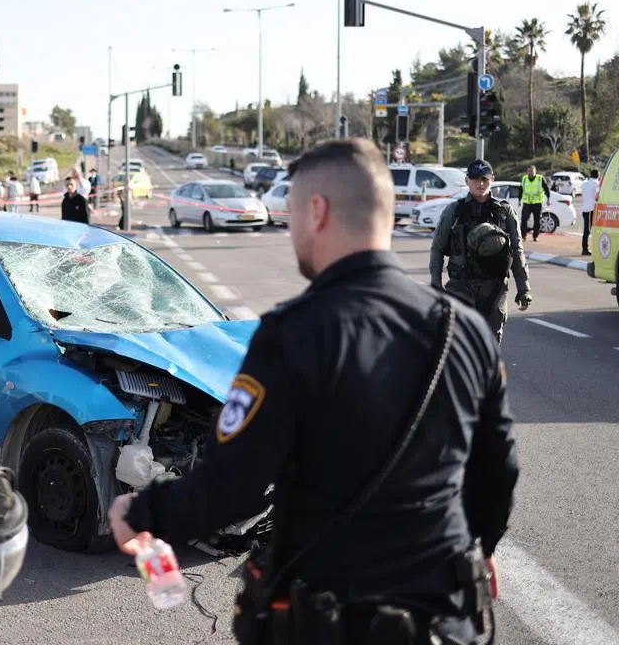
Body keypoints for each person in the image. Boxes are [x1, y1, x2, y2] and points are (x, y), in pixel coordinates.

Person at [109, 139, 518, 645]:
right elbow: (498, 468)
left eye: (295, 211)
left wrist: (140, 512)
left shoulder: (292, 335)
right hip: (449, 620)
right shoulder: (466, 329)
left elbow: (229, 489)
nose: (291, 229)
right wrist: (480, 545)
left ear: (318, 212)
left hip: (336, 621)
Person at [430, 159, 531, 344]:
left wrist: (524, 288)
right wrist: (435, 283)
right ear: (467, 180)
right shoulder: (454, 211)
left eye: (484, 179)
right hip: (461, 287)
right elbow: (437, 249)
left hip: (495, 290)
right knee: (459, 345)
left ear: (492, 179)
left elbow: (517, 250)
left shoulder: (504, 212)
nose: (480, 183)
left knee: (490, 347)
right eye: (475, 179)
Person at [518, 165, 551, 242]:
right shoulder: (524, 179)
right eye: (529, 171)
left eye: (532, 171)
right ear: (527, 171)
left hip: (537, 203)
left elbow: (546, 189)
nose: (531, 172)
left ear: (535, 171)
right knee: (524, 219)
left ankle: (535, 236)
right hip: (527, 203)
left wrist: (548, 199)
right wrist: (519, 200)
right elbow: (521, 190)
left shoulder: (540, 179)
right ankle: (523, 236)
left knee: (537, 220)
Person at [581, 169, 600, 256]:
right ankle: (585, 249)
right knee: (588, 230)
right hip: (591, 209)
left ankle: (586, 248)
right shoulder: (597, 184)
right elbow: (597, 197)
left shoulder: (584, 184)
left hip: (585, 209)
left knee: (587, 230)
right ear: (597, 175)